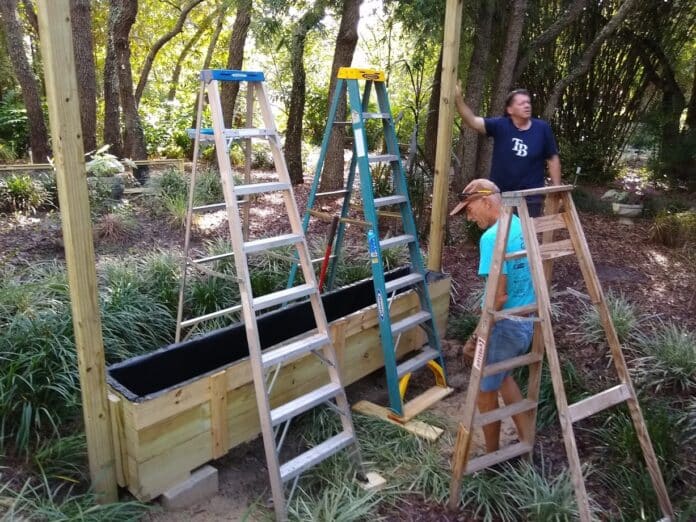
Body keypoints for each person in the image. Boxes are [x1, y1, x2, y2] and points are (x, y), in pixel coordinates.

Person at [450, 178, 536, 453]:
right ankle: (527, 439)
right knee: (504, 377)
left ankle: (491, 455)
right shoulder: (521, 224)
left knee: (484, 391)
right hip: (527, 320)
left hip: (506, 324)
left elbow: (498, 296)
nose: (468, 216)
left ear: (487, 201)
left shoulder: (492, 238)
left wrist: (477, 335)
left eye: (469, 208)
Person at [454, 83, 562, 217]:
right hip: (503, 195)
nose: (527, 105)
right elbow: (472, 121)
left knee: (526, 236)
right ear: (510, 109)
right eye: (521, 103)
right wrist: (458, 100)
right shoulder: (500, 125)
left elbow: (552, 158)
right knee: (503, 234)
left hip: (531, 197)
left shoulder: (542, 128)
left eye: (528, 102)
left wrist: (557, 188)